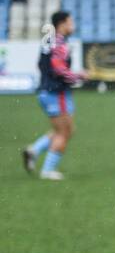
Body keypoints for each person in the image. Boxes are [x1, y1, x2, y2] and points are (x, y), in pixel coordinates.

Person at [23, 11, 85, 181]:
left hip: (45, 91)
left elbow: (41, 64)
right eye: (70, 22)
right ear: (62, 24)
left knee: (62, 130)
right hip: (57, 93)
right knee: (65, 132)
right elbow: (58, 69)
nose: (72, 25)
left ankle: (34, 150)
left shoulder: (48, 41)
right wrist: (79, 76)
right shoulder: (60, 43)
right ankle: (48, 170)